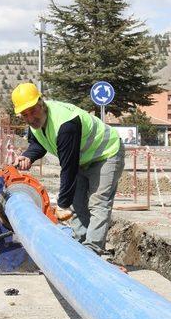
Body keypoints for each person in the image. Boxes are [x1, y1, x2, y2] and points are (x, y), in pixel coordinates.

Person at [11, 83, 125, 255]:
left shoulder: (65, 124)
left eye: (32, 111)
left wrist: (62, 203)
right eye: (24, 115)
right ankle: (80, 244)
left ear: (41, 103)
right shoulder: (36, 124)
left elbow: (68, 167)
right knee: (78, 203)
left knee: (98, 203)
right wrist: (28, 156)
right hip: (81, 159)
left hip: (106, 153)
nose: (30, 118)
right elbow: (38, 143)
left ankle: (93, 251)